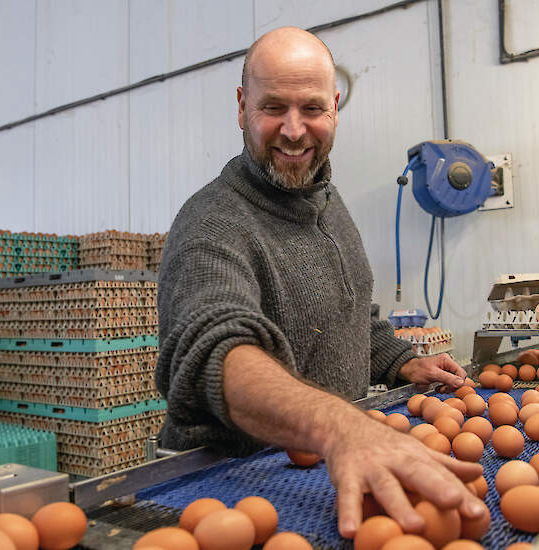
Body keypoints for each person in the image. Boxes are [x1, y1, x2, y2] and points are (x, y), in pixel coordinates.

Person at [154, 26, 485, 538]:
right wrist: (340, 426)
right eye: (272, 108)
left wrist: (401, 360)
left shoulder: (329, 205)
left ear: (334, 106)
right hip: (229, 488)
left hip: (330, 470)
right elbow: (215, 355)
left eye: (311, 108)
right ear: (242, 106)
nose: (293, 129)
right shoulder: (212, 223)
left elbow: (349, 318)